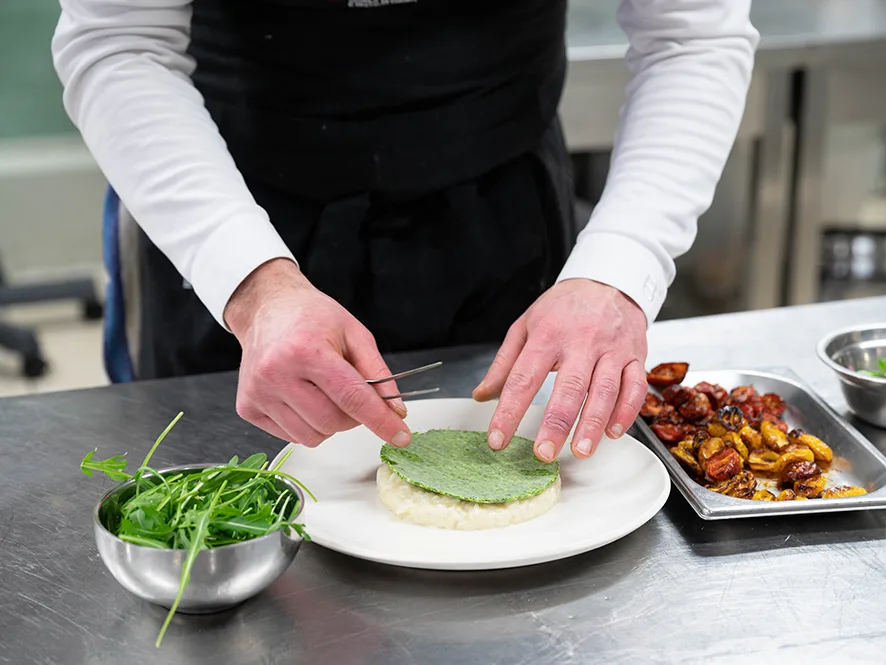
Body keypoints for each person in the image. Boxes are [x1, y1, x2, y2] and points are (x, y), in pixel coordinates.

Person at [53, 0, 758, 463]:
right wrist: (252, 285)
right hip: (221, 197)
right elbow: (120, 44)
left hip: (496, 199)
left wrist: (618, 269)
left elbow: (688, 37)